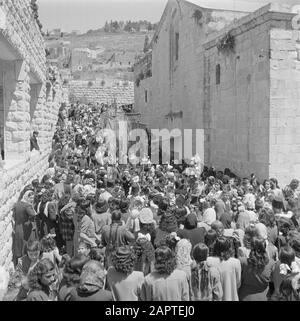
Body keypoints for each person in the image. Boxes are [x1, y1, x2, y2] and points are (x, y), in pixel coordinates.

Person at [207, 236, 241, 301]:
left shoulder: (208, 261)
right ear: (228, 247)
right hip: (231, 296)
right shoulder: (235, 262)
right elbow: (238, 282)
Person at [12, 190, 38, 265]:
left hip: (18, 228)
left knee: (19, 245)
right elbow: (34, 214)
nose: (32, 200)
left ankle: (19, 265)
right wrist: (32, 207)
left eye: (33, 198)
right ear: (27, 197)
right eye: (31, 198)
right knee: (26, 246)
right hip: (25, 229)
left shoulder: (17, 204)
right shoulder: (27, 206)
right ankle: (26, 265)